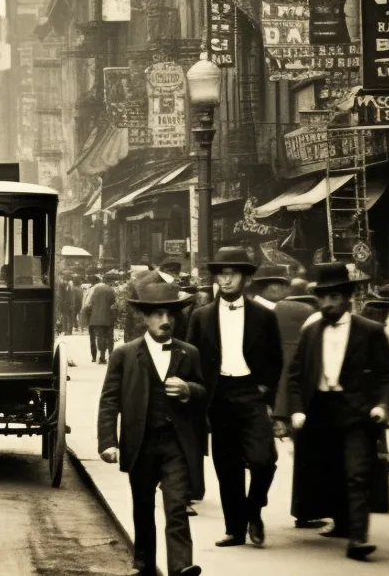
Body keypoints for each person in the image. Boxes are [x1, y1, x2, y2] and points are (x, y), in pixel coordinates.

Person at [281, 263, 389, 561]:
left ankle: (358, 538)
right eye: (324, 297)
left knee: (357, 473)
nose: (329, 303)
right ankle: (342, 522)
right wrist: (295, 408)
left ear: (347, 297)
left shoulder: (370, 331)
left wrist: (383, 405)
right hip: (319, 412)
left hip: (356, 412)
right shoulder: (311, 332)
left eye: (335, 296)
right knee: (329, 471)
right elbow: (295, 374)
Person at [97, 281, 206, 576]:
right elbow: (110, 399)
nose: (165, 321)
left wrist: (189, 390)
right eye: (157, 315)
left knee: (176, 507)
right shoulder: (125, 355)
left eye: (170, 315)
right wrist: (108, 441)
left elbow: (204, 392)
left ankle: (181, 567)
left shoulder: (189, 354)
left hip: (176, 444)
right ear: (144, 318)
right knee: (143, 507)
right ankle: (143, 564)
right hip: (141, 443)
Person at [185, 246, 284, 549]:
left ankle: (253, 511)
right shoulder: (201, 316)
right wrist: (197, 393)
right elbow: (190, 357)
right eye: (221, 275)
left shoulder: (264, 315)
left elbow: (275, 358)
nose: (226, 281)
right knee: (226, 465)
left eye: (233, 275)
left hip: (251, 392)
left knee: (262, 459)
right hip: (218, 395)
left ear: (246, 278)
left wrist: (264, 389)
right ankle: (235, 529)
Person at [83, 274, 118, 364]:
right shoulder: (111, 290)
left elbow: (90, 304)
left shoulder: (96, 289)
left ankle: (102, 357)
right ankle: (111, 356)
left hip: (96, 319)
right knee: (110, 338)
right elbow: (114, 304)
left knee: (101, 338)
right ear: (110, 281)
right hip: (108, 318)